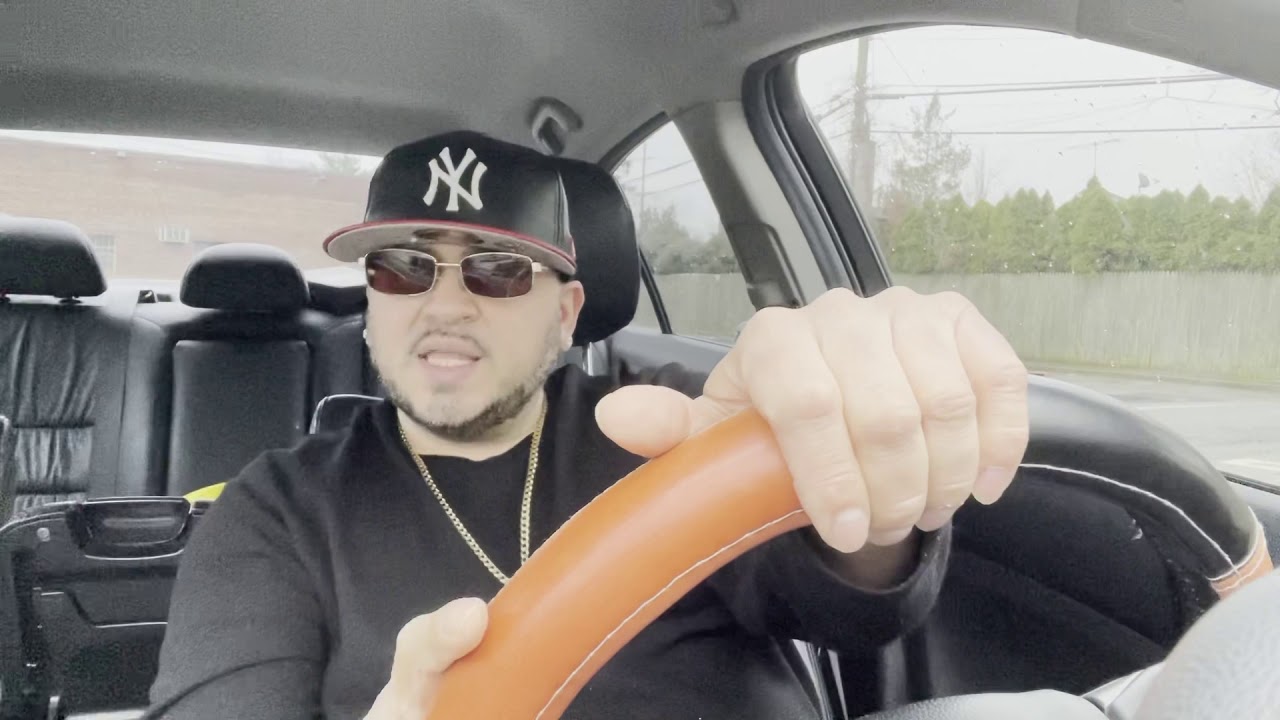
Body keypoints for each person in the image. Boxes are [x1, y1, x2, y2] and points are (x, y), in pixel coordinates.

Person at [145, 131, 1029, 720]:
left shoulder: (669, 428)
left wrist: (864, 444)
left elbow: (853, 603)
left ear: (567, 314)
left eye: (496, 271)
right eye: (404, 268)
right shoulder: (277, 511)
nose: (443, 305)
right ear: (371, 299)